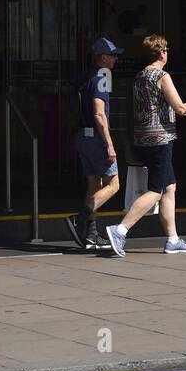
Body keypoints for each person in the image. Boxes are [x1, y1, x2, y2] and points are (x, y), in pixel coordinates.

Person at [105, 35, 186, 258]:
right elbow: (180, 108)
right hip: (160, 140)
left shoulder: (139, 76)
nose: (167, 53)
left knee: (170, 187)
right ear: (161, 53)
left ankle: (172, 239)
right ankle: (120, 230)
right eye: (166, 50)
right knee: (155, 190)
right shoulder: (162, 76)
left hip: (143, 138)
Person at [66, 37, 123, 250]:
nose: (116, 58)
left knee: (94, 184)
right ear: (103, 57)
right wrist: (109, 143)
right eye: (113, 55)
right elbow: (99, 114)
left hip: (82, 135)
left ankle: (90, 234)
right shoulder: (101, 77)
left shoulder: (85, 77)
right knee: (114, 184)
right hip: (96, 139)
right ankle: (78, 218)